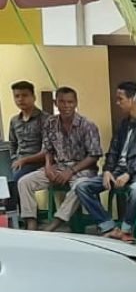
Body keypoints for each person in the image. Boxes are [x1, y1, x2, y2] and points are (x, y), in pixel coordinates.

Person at [74, 81, 136, 242]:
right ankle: (108, 227)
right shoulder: (122, 125)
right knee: (82, 187)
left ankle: (126, 231)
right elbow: (113, 151)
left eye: (120, 99)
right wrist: (107, 170)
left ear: (133, 99)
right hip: (117, 171)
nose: (118, 103)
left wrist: (129, 173)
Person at [17, 86, 102, 232]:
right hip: (58, 166)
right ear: (56, 103)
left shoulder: (87, 125)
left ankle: (55, 223)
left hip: (83, 169)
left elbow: (94, 156)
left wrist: (71, 171)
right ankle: (31, 223)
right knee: (24, 182)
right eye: (62, 102)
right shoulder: (50, 123)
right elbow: (48, 149)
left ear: (76, 103)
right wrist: (49, 166)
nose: (66, 106)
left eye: (70, 102)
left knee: (79, 186)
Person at [5, 81, 46, 213]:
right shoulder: (14, 120)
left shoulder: (45, 119)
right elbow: (12, 143)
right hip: (19, 162)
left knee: (15, 179)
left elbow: (48, 150)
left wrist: (24, 161)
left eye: (24, 95)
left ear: (33, 97)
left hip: (39, 162)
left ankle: (22, 215)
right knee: (3, 177)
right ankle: (9, 216)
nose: (20, 99)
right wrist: (14, 159)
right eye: (17, 96)